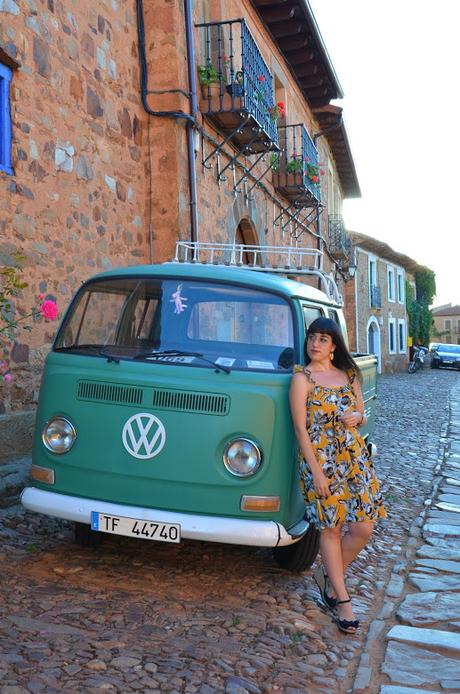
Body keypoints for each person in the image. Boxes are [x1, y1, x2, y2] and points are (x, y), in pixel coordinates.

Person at [289, 317, 386, 634]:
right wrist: (316, 472)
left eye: (322, 339)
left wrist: (356, 416)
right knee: (331, 528)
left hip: (354, 459)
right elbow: (300, 430)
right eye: (312, 338)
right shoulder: (302, 379)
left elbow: (360, 414)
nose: (315, 344)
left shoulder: (349, 375)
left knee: (363, 526)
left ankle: (329, 578)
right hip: (321, 461)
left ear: (334, 346)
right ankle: (341, 600)